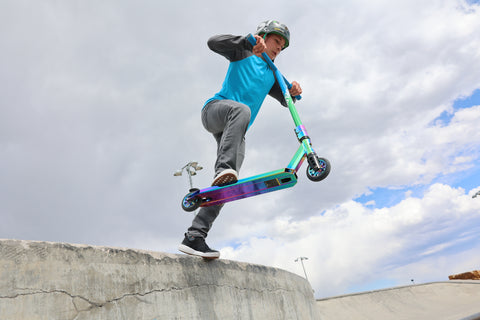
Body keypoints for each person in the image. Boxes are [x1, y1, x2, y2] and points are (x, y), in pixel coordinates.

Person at [178, 20, 302, 259]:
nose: (279, 48)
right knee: (242, 110)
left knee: (227, 187)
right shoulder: (243, 50)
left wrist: (295, 91)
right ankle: (223, 168)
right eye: (277, 41)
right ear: (263, 36)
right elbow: (212, 42)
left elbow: (288, 99)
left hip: (235, 130)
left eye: (283, 46)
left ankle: (194, 237)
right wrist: (246, 41)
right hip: (214, 111)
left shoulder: (274, 74)